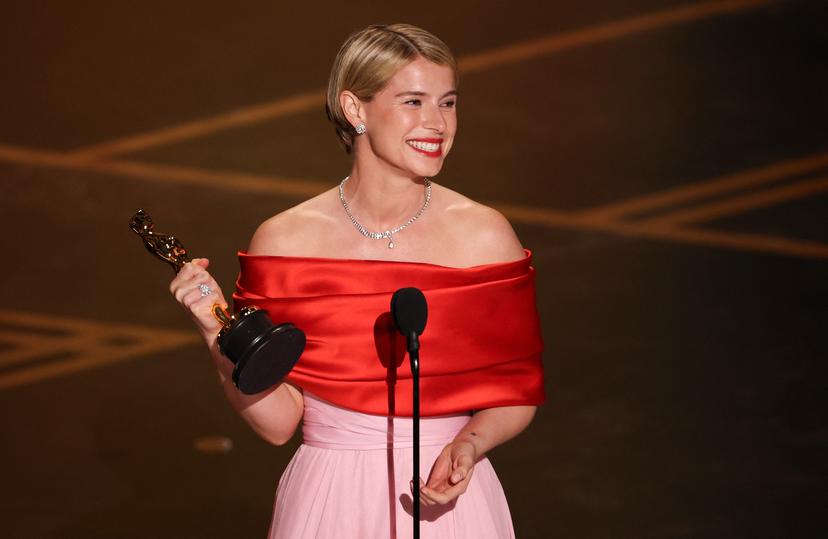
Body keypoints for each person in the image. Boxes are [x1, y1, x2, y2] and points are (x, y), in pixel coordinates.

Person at [169, 24, 545, 538]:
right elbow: (278, 423)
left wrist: (470, 444)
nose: (436, 123)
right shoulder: (285, 242)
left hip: (449, 500)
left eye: (448, 102)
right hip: (329, 499)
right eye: (413, 101)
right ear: (355, 109)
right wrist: (217, 330)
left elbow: (515, 392)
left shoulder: (484, 235)